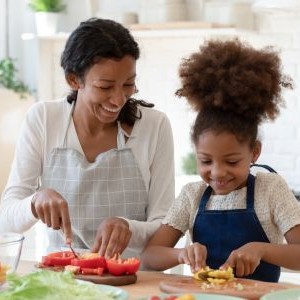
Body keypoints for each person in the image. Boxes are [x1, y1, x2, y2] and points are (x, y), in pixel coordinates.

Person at [0, 18, 175, 259]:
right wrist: (34, 201)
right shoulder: (43, 119)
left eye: (128, 84)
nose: (118, 99)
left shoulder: (154, 126)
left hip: (134, 276)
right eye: (105, 87)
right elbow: (6, 219)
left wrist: (129, 226)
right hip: (65, 275)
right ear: (74, 80)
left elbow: (166, 225)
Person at [141, 39, 300, 282]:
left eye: (232, 161)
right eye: (206, 161)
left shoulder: (271, 190)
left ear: (254, 152)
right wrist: (182, 253)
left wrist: (261, 249)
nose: (217, 172)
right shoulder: (191, 195)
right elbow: (150, 256)